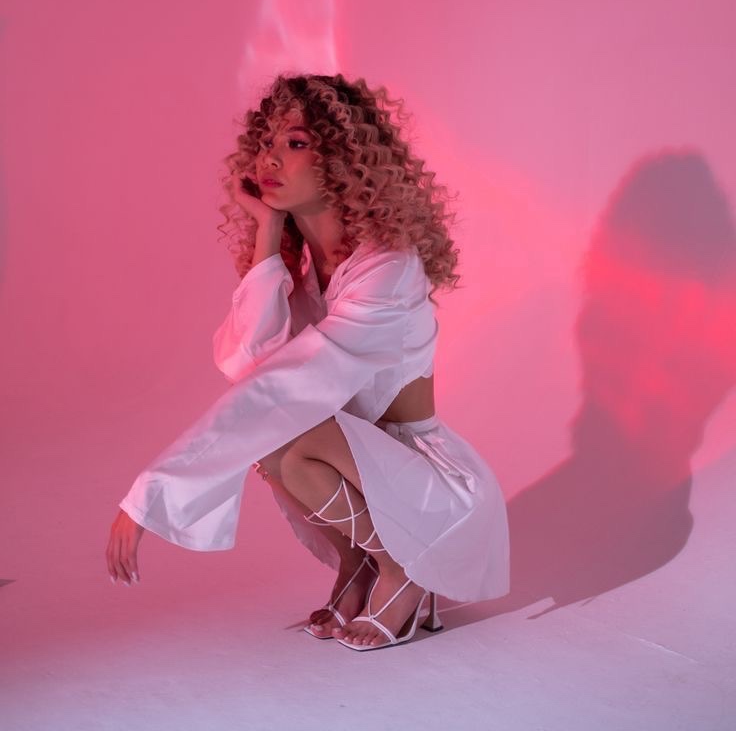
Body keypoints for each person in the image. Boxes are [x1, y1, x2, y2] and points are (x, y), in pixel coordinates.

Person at [106, 73, 510, 650]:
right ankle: (365, 563)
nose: (270, 158)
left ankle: (403, 566)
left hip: (427, 482)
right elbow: (250, 363)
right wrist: (268, 231)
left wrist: (154, 488)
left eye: (296, 143)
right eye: (267, 143)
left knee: (284, 428)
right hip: (362, 462)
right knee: (274, 444)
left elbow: (284, 389)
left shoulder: (388, 268)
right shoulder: (304, 274)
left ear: (345, 161)